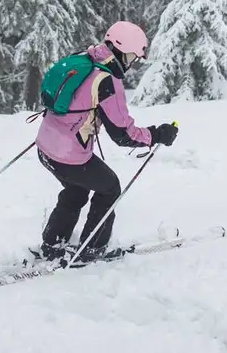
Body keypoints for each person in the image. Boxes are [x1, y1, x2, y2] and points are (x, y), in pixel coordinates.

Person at [34, 21, 178, 262]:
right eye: (133, 56)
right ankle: (91, 249)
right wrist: (157, 135)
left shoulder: (85, 58)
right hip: (68, 156)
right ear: (122, 49)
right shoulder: (106, 80)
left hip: (45, 147)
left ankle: (53, 243)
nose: (132, 63)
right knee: (110, 188)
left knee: (77, 190)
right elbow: (123, 134)